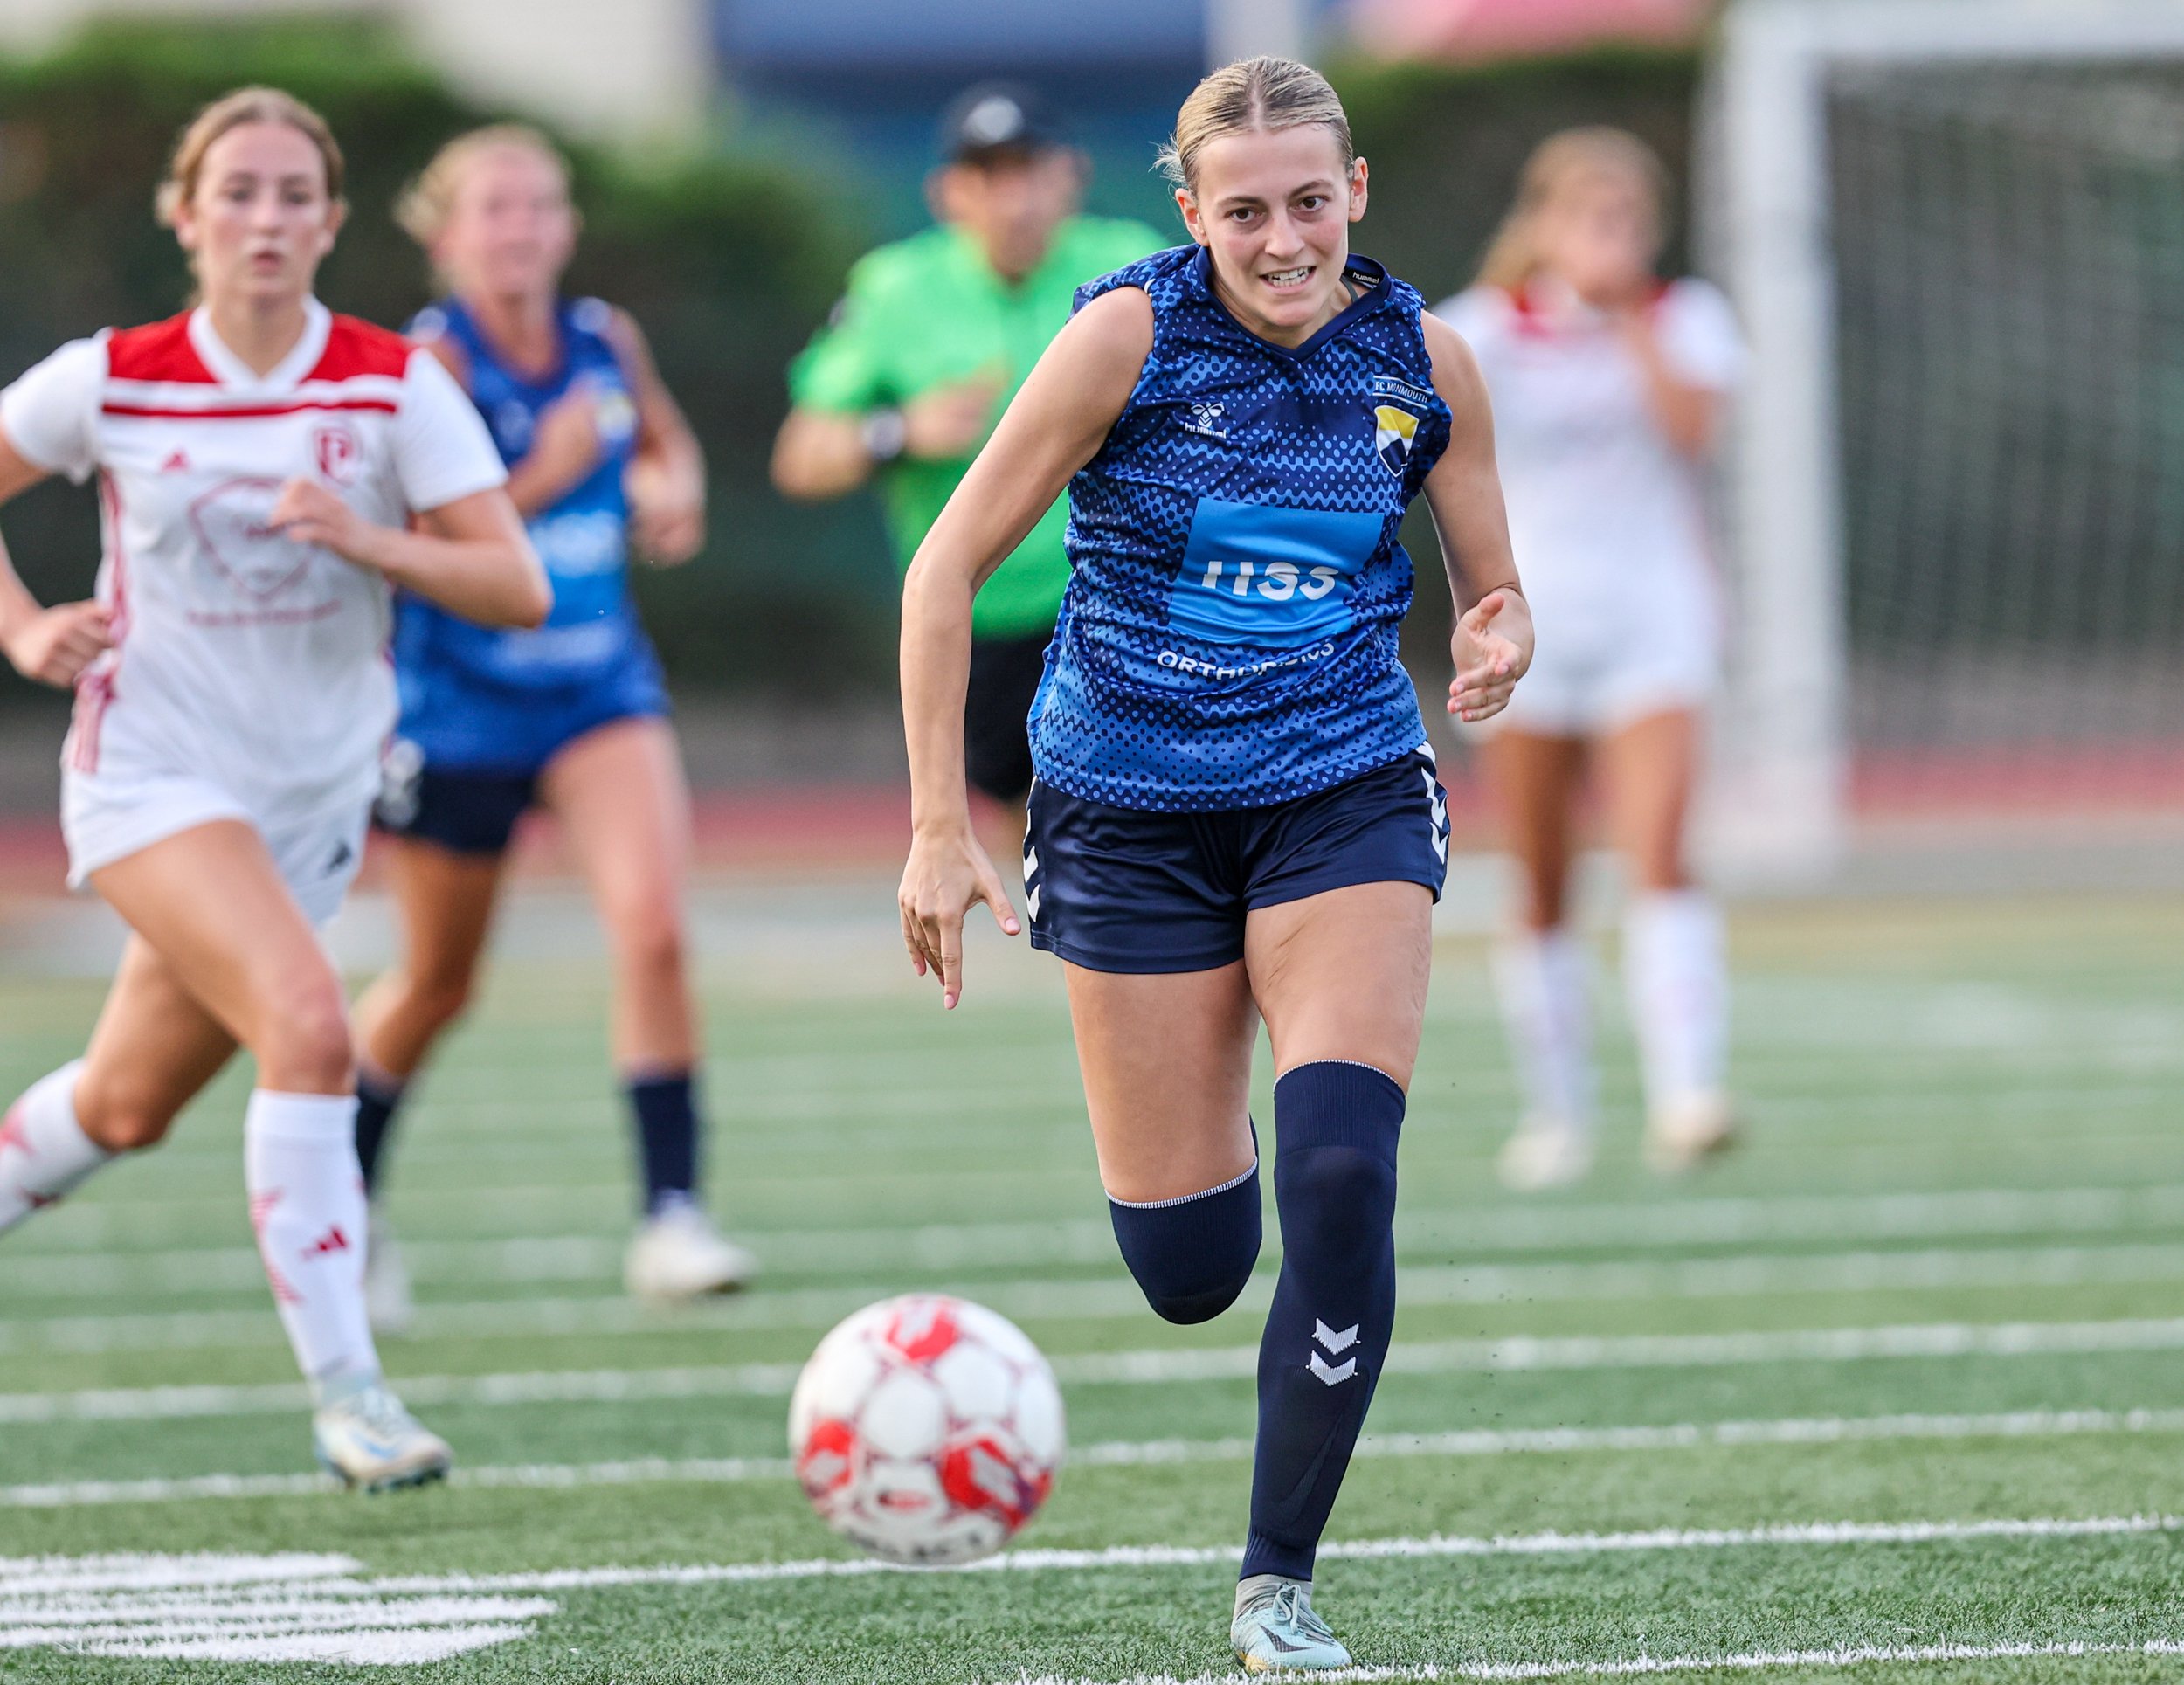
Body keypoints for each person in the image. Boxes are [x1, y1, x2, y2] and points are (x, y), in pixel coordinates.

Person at [896, 57, 1531, 1674]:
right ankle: (1212, 1096)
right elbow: (946, 562)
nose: (1282, 238)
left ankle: (1276, 1582)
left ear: (1357, 193)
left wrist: (1494, 628)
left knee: (1342, 1174)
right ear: (1193, 215)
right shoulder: (1126, 332)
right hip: (1123, 814)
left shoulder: (1425, 356)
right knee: (1190, 1271)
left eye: (1310, 201)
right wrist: (934, 826)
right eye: (1244, 210)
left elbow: (1491, 578)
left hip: (1346, 791)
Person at [0, 88, 547, 1489]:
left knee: (122, 1107)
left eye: (293, 192)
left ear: (332, 221)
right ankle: (352, 1394)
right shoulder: (112, 374)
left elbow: (513, 585)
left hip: (311, 805)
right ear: (185, 216)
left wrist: (373, 540)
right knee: (312, 1028)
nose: (264, 216)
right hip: (149, 779)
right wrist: (20, 628)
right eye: (235, 190)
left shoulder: (385, 384)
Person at [349, 126, 752, 1331]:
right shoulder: (430, 366)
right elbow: (408, 549)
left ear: (567, 227)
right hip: (458, 705)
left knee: (655, 930)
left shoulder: (603, 338)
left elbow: (666, 447)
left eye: (538, 206)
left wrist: (670, 490)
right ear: (443, 234)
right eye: (493, 209)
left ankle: (672, 1215)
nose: (519, 228)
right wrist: (548, 475)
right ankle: (340, 1205)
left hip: (597, 688)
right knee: (434, 983)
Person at [1434, 129, 1744, 1191]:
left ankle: (1687, 1095)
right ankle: (1557, 1113)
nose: (1607, 240)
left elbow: (1695, 430)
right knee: (1542, 877)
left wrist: (1627, 322)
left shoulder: (1686, 318)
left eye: (1626, 221)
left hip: (1655, 621)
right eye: (1586, 219)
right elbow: (1442, 459)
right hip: (1532, 633)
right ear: (1543, 223)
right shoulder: (1484, 329)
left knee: (1659, 853)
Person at [771, 83, 1161, 827]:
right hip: (980, 616)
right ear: (947, 191)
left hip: (1115, 597)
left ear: (1072, 175)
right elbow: (801, 457)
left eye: (1031, 170)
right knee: (1044, 824)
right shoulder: (894, 289)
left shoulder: (1134, 264)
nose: (1013, 199)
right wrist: (898, 431)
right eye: (989, 175)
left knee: (1120, 815)